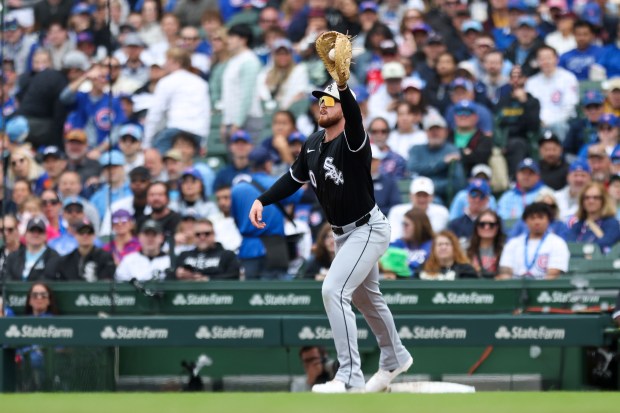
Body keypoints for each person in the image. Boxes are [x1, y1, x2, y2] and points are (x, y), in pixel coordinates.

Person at [249, 80, 412, 393]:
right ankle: (395, 357)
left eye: (330, 100)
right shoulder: (312, 143)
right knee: (367, 299)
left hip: (367, 227)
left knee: (333, 290)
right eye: (320, 100)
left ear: (344, 109)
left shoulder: (354, 141)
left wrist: (343, 84)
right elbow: (293, 178)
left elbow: (354, 113)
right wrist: (263, 199)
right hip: (343, 235)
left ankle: (349, 375)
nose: (323, 105)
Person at [232, 147, 302, 280]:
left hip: (248, 249)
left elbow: (236, 219)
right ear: (267, 164)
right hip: (275, 248)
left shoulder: (237, 189)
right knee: (275, 297)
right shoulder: (278, 183)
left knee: (251, 295)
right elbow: (301, 195)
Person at [143, 47, 210, 154]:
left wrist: (146, 143)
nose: (164, 64)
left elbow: (155, 114)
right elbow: (205, 114)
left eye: (167, 60)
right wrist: (203, 142)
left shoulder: (166, 82)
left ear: (176, 62)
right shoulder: (201, 83)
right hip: (197, 134)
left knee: (156, 159)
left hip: (175, 131)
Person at [497, 202, 570, 280]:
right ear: (525, 221)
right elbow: (505, 271)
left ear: (548, 220)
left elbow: (553, 274)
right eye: (532, 218)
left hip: (545, 289)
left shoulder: (558, 243)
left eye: (541, 217)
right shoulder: (513, 243)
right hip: (515, 288)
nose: (537, 222)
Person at [174, 219, 240, 281]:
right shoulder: (184, 255)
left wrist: (207, 279)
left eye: (207, 234)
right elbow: (169, 276)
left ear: (214, 234)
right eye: (198, 234)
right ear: (193, 237)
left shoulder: (227, 255)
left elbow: (234, 275)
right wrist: (178, 274)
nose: (202, 237)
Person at [388, 177, 450, 241]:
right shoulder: (396, 211)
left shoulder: (441, 212)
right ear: (410, 196)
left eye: (425, 195)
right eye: (418, 195)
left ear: (432, 197)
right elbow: (393, 238)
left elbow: (434, 238)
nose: (422, 199)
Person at [566, 182, 620, 254]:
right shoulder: (577, 225)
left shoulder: (612, 224)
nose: (591, 201)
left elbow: (606, 243)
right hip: (577, 263)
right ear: (582, 201)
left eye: (596, 197)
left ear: (603, 200)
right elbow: (570, 246)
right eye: (587, 198)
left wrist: (583, 250)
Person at [385, 208, 434, 279]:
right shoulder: (398, 244)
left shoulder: (434, 245)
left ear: (418, 226)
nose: (403, 228)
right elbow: (385, 261)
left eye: (406, 225)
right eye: (403, 224)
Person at [447, 179, 491, 245]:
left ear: (487, 199)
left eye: (482, 196)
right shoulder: (455, 225)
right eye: (473, 194)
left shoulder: (493, 224)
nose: (477, 200)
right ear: (468, 197)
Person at [467, 210, 506, 278]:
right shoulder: (465, 248)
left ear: (497, 227)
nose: (486, 227)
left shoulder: (506, 249)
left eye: (491, 225)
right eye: (482, 224)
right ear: (477, 227)